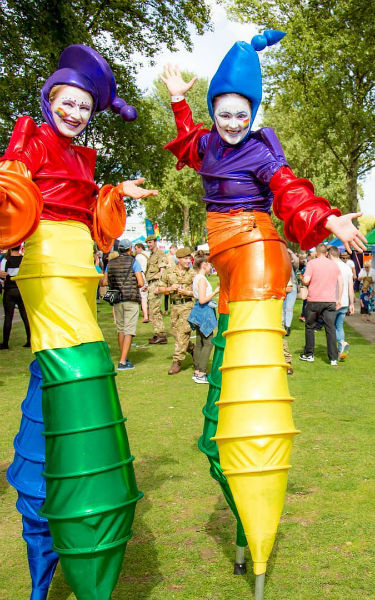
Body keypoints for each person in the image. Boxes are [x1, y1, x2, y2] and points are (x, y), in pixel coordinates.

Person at [161, 30, 366, 581]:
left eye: (240, 113)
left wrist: (325, 219)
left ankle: (255, 511)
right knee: (226, 391)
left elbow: (288, 189)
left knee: (248, 387)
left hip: (254, 256)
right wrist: (179, 100)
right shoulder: (206, 143)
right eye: (223, 113)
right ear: (214, 111)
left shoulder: (258, 149)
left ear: (252, 112)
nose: (231, 122)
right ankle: (243, 506)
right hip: (225, 260)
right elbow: (188, 136)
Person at [0, 45, 153, 599]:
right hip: (47, 265)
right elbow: (13, 192)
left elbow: (89, 213)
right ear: (49, 101)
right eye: (67, 103)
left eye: (85, 107)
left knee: (58, 381)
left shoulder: (85, 158)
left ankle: (46, 560)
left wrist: (116, 193)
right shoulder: (30, 138)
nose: (75, 113)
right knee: (79, 364)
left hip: (78, 264)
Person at [103, 238, 144, 370]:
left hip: (117, 299)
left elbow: (104, 281)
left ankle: (124, 357)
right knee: (129, 331)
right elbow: (141, 282)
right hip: (130, 299)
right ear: (129, 248)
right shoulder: (133, 262)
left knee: (120, 329)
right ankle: (122, 362)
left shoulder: (111, 263)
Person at [300, 242, 344, 365]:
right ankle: (333, 358)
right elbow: (341, 282)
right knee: (330, 329)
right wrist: (339, 298)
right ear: (326, 253)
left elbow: (307, 280)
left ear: (317, 253)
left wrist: (302, 279)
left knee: (310, 327)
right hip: (329, 301)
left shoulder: (311, 263)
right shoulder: (335, 265)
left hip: (314, 300)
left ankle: (309, 354)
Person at [156, 246, 196, 375]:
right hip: (174, 306)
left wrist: (186, 292)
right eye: (185, 259)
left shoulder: (192, 273)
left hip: (187, 305)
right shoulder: (168, 272)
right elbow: (160, 289)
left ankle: (177, 361)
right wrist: (170, 289)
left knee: (183, 332)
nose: (188, 261)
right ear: (178, 259)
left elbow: (198, 292)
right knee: (175, 332)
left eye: (189, 258)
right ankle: (193, 349)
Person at [189, 255, 219, 383]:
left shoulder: (197, 278)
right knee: (208, 342)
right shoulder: (201, 279)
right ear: (204, 265)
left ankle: (197, 371)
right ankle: (201, 372)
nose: (211, 267)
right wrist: (215, 292)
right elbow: (202, 299)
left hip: (199, 311)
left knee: (200, 341)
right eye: (210, 264)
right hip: (203, 312)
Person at [0, 245, 31, 348]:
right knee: (25, 316)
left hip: (9, 290)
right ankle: (29, 340)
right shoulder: (23, 259)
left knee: (8, 317)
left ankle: (5, 343)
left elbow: (2, 274)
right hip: (21, 289)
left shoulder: (6, 259)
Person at [328, 245, 354, 360]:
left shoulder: (331, 267)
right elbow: (351, 287)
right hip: (345, 302)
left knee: (331, 327)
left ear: (329, 254)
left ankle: (341, 343)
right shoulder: (347, 267)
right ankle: (340, 350)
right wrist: (352, 303)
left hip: (334, 301)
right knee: (339, 326)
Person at [145, 234, 168, 344]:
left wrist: (159, 286)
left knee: (155, 310)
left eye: (150, 242)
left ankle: (161, 334)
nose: (148, 245)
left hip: (156, 284)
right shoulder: (151, 255)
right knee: (152, 310)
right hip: (151, 283)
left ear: (155, 242)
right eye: (147, 243)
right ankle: (157, 333)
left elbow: (162, 271)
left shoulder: (160, 254)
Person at [282, 247, 299, 336]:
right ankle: (283, 325)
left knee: (289, 308)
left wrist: (291, 252)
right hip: (282, 288)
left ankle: (287, 326)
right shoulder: (279, 263)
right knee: (283, 308)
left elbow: (297, 261)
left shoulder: (292, 264)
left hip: (292, 288)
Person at [134, 242, 150, 322]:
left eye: (136, 249)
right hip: (151, 277)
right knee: (150, 297)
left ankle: (146, 315)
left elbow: (137, 270)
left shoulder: (138, 257)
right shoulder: (150, 254)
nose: (135, 250)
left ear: (140, 248)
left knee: (143, 297)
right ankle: (150, 314)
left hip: (143, 277)